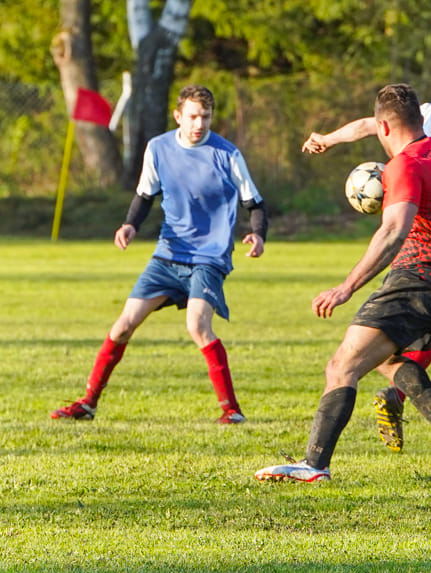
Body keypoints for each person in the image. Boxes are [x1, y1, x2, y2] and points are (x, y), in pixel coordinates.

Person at [254, 83, 431, 483]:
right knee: (383, 358)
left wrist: (345, 287)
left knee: (341, 366)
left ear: (383, 127)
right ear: (420, 119)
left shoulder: (404, 165)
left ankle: (314, 465)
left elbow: (393, 231)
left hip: (416, 281)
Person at [51, 85, 268, 424]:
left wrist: (257, 233)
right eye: (193, 116)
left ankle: (232, 411)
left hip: (208, 257)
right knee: (123, 326)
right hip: (168, 254)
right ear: (178, 116)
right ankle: (87, 404)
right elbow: (144, 195)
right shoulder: (158, 148)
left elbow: (253, 203)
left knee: (197, 324)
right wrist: (129, 225)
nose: (199, 124)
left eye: (206, 117)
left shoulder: (227, 155)